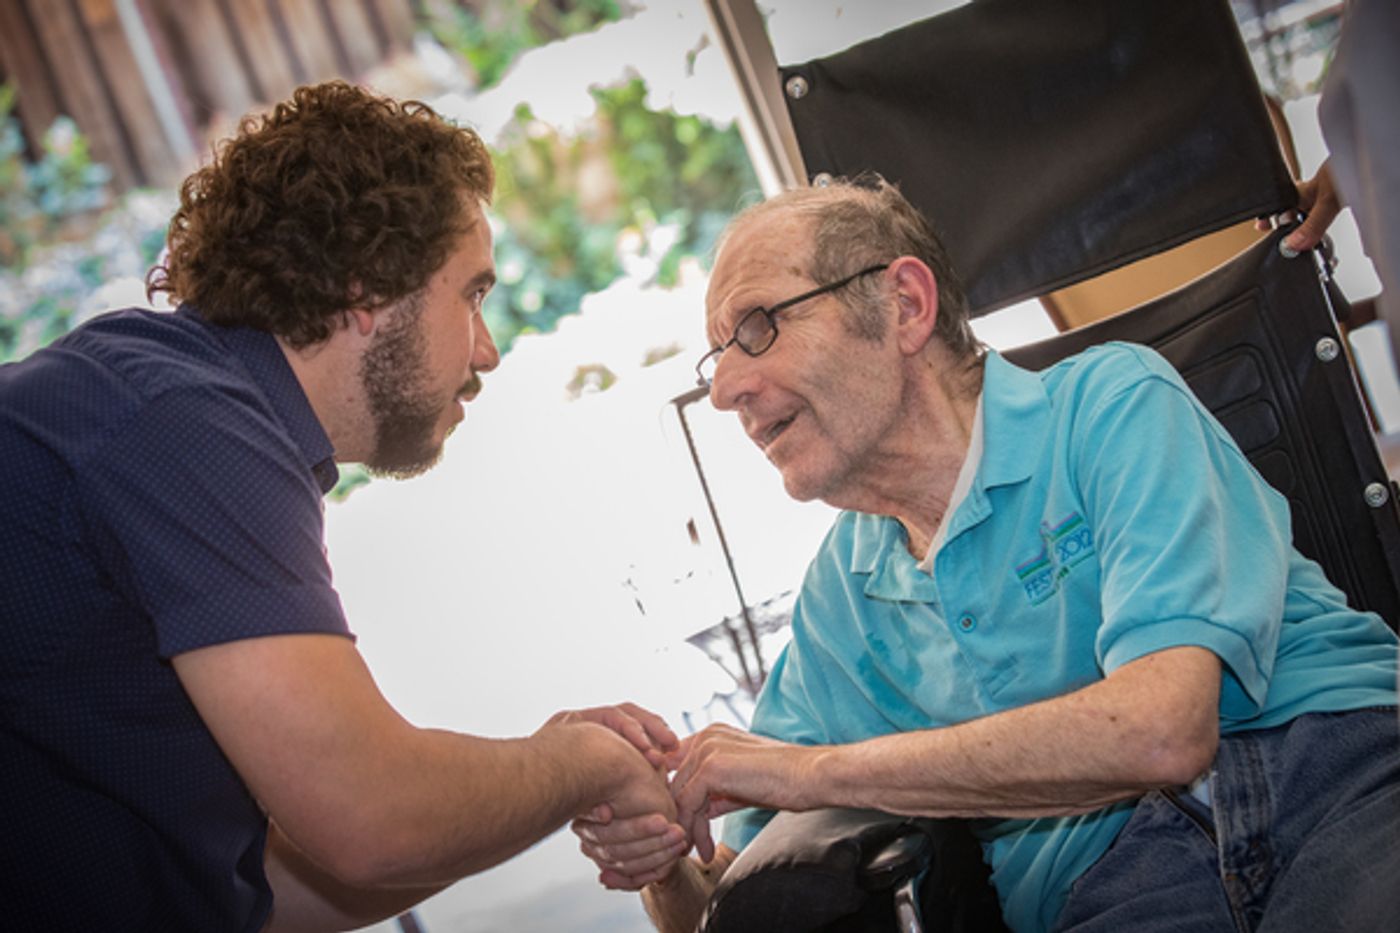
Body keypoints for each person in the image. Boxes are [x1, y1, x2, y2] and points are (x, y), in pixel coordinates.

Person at [572, 179, 1400, 933]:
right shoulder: (843, 597)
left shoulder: (1110, 405)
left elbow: (1163, 731)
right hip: (1115, 886)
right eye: (719, 358)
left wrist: (813, 770)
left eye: (758, 328)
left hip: (1330, 780)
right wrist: (665, 853)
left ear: (904, 305)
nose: (721, 391)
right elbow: (728, 899)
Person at [0, 80, 688, 932]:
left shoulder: (189, 408)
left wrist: (547, 777)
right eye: (471, 294)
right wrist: (576, 764)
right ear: (367, 290)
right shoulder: (182, 420)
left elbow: (275, 890)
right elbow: (369, 820)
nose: (489, 349)